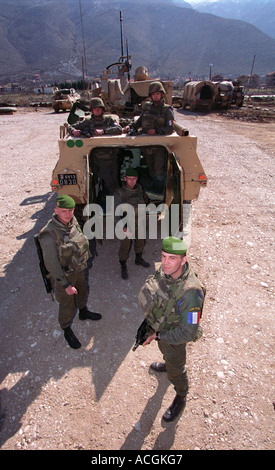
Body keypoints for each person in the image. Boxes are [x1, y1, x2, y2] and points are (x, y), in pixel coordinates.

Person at [138, 236, 205, 422]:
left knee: (177, 368)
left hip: (173, 336)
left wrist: (158, 335)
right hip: (162, 328)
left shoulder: (191, 294)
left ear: (183, 260)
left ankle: (181, 394)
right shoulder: (168, 271)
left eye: (172, 258)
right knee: (167, 354)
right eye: (163, 256)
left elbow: (189, 332)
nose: (165, 263)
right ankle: (168, 364)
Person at [38, 195, 102, 349]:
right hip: (64, 276)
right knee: (67, 303)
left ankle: (83, 311)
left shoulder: (72, 221)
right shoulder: (49, 234)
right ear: (55, 210)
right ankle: (66, 328)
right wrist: (65, 284)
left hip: (78, 269)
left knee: (82, 291)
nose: (67, 214)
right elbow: (51, 264)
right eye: (63, 211)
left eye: (71, 210)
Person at [68, 97, 123, 197]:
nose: (97, 110)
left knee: (115, 180)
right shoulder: (88, 122)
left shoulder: (108, 120)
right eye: (95, 108)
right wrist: (74, 131)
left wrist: (104, 131)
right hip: (98, 158)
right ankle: (113, 199)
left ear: (102, 109)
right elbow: (71, 127)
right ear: (92, 110)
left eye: (99, 108)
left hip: (112, 155)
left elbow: (119, 129)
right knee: (107, 181)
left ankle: (116, 199)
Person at [127, 81, 175, 192]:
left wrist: (157, 131)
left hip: (159, 147)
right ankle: (153, 190)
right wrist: (129, 126)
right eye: (153, 94)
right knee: (151, 169)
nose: (156, 96)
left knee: (159, 171)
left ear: (162, 94)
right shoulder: (147, 107)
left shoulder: (167, 110)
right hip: (147, 146)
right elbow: (139, 121)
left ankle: (159, 192)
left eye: (158, 94)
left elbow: (170, 128)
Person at [114, 168, 150, 280]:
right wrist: (123, 227)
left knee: (140, 241)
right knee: (125, 245)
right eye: (129, 179)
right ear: (125, 179)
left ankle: (138, 258)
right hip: (126, 223)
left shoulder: (139, 189)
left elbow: (144, 200)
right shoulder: (120, 193)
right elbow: (115, 212)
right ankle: (123, 265)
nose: (132, 181)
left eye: (134, 179)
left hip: (139, 221)